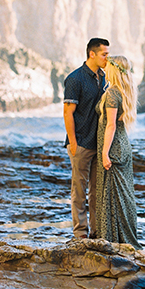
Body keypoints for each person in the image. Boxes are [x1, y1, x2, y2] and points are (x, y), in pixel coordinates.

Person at [63, 38, 110, 239]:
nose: (107, 58)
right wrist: (73, 143)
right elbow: (67, 113)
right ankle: (80, 234)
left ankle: (97, 233)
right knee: (79, 192)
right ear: (92, 54)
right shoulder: (75, 79)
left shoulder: (104, 78)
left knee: (96, 192)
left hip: (98, 145)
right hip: (81, 143)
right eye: (104, 54)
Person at [95, 55, 141, 248]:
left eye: (108, 66)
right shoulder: (126, 91)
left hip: (113, 146)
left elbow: (111, 125)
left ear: (114, 70)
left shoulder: (113, 93)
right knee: (123, 195)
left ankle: (112, 239)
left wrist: (105, 153)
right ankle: (122, 237)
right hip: (123, 145)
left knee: (111, 194)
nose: (104, 68)